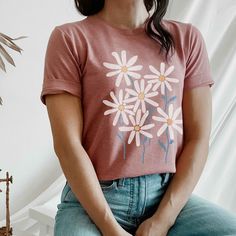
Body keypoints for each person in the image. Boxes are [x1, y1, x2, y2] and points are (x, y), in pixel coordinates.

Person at [40, 0, 236, 235]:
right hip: (94, 201)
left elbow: (199, 138)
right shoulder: (70, 38)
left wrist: (163, 220)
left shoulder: (186, 39)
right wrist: (110, 229)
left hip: (166, 198)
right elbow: (67, 145)